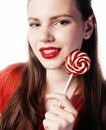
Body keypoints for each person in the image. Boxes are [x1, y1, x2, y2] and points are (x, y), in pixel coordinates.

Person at [0, 0, 106, 129]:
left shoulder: (102, 106)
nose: (44, 36)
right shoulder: (8, 79)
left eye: (61, 22)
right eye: (35, 24)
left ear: (88, 27)